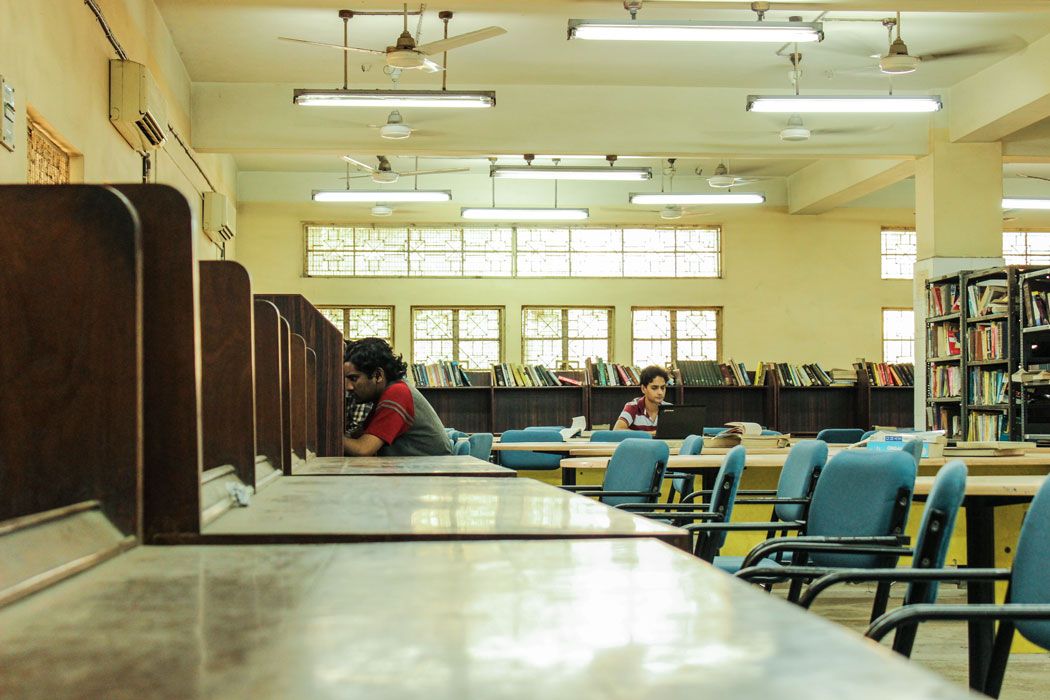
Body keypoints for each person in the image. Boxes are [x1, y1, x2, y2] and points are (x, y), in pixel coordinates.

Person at [342, 337, 452, 457]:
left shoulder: (397, 393)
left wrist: (325, 438)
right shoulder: (386, 393)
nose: (348, 387)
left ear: (378, 375)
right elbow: (358, 435)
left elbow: (363, 449)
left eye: (354, 378)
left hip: (434, 470)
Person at [613, 365, 671, 433]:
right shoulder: (633, 406)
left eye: (663, 388)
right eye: (654, 388)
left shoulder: (670, 409)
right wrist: (652, 433)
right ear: (643, 389)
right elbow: (617, 430)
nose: (660, 392)